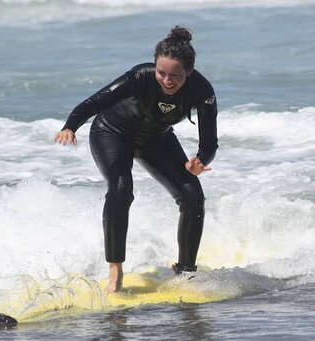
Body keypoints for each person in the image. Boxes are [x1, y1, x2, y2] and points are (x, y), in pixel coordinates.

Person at [54, 26, 218, 294]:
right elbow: (93, 102)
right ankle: (115, 272)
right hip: (112, 133)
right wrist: (70, 126)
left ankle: (186, 270)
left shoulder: (202, 91)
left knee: (192, 195)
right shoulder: (140, 76)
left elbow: (209, 141)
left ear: (189, 72)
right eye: (161, 72)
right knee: (120, 188)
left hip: (156, 139)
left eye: (175, 76)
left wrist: (200, 161)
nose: (166, 80)